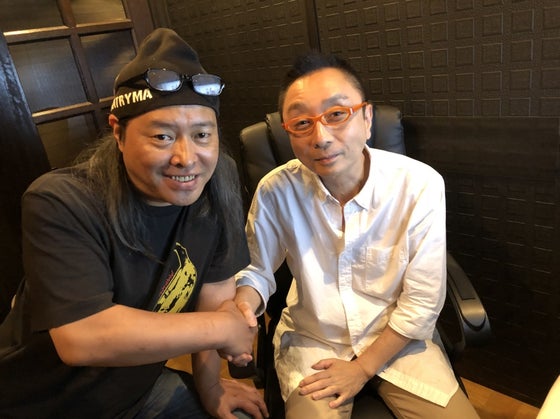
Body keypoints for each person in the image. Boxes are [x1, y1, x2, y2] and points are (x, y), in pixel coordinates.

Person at [0, 28, 267, 419]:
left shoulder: (218, 179)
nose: (186, 157)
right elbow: (82, 336)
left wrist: (211, 387)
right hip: (41, 401)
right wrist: (223, 329)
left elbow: (215, 294)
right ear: (118, 132)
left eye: (201, 134)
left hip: (137, 389)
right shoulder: (61, 200)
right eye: (162, 136)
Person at [235, 51, 480, 418]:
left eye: (337, 114)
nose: (320, 137)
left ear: (367, 119)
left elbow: (422, 302)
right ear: (289, 133)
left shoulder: (419, 185)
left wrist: (362, 368)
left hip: (399, 341)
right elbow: (256, 270)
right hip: (315, 342)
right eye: (301, 123)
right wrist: (243, 308)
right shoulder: (276, 190)